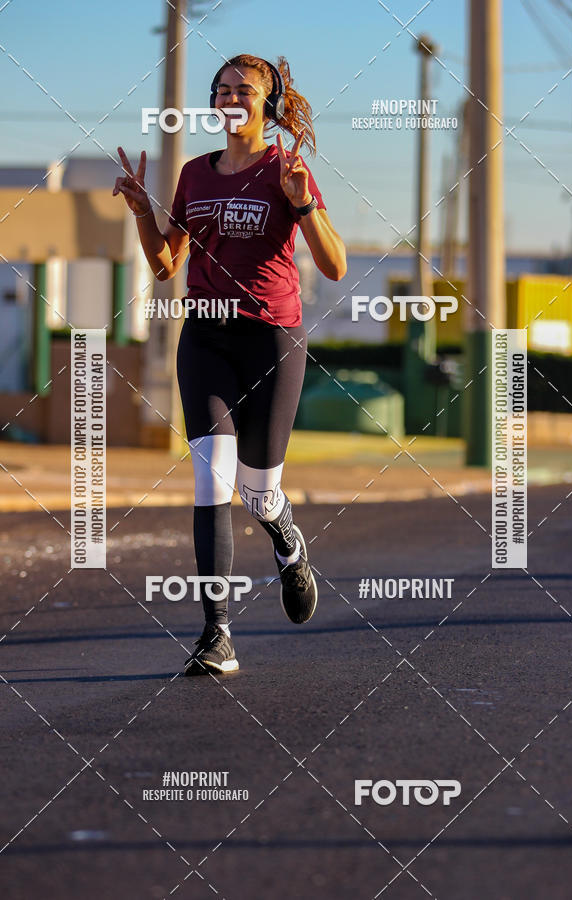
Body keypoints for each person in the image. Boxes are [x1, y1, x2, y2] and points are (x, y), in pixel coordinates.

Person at [113, 53, 346, 675]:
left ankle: (286, 540)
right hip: (206, 340)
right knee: (210, 477)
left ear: (266, 105)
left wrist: (302, 205)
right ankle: (216, 634)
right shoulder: (194, 174)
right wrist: (142, 209)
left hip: (271, 340)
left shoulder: (286, 169)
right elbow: (166, 266)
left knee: (257, 491)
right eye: (221, 90)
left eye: (245, 90)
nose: (231, 98)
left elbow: (335, 265)